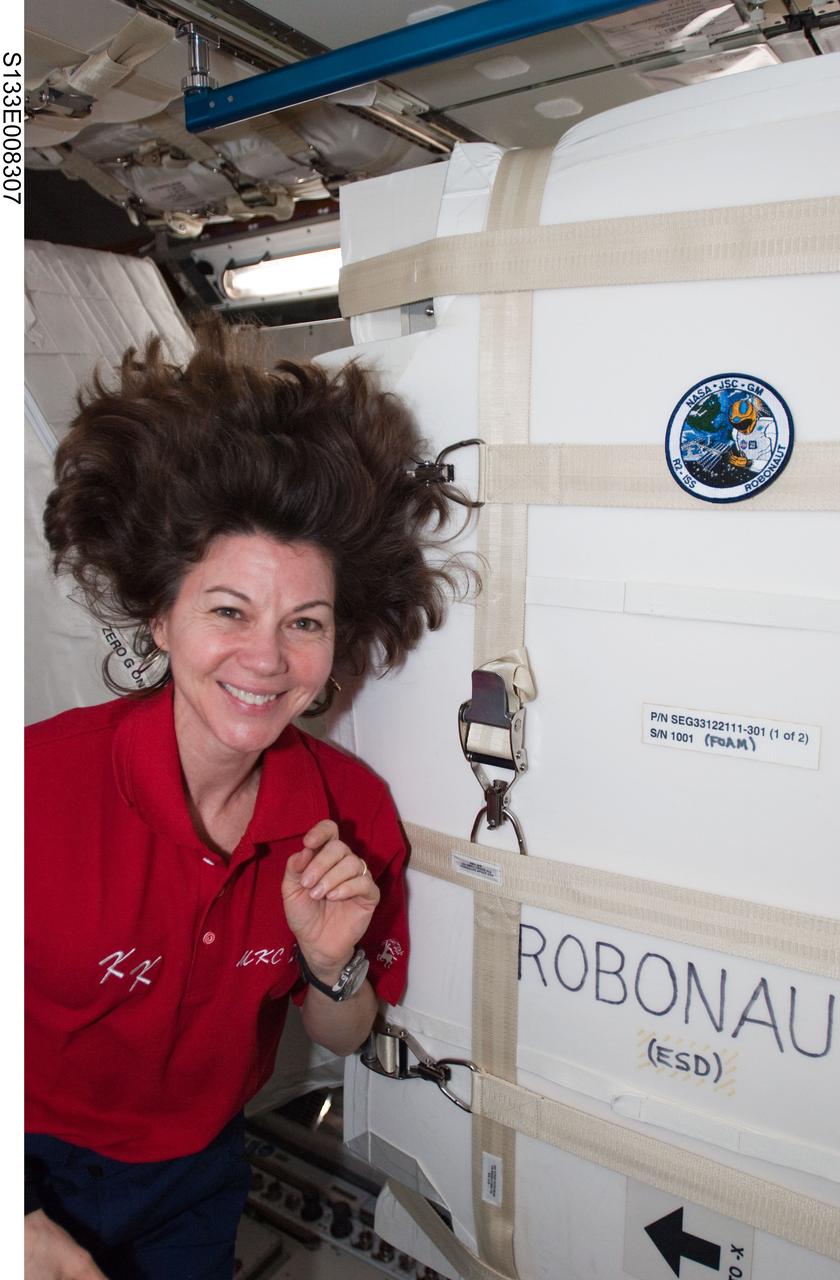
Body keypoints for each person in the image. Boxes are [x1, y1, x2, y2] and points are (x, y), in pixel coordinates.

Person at [25, 322, 466, 1280]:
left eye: (304, 623)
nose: (267, 659)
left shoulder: (349, 815)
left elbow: (342, 1033)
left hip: (200, 1170)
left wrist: (328, 959)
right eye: (228, 610)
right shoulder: (34, 790)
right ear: (161, 615)